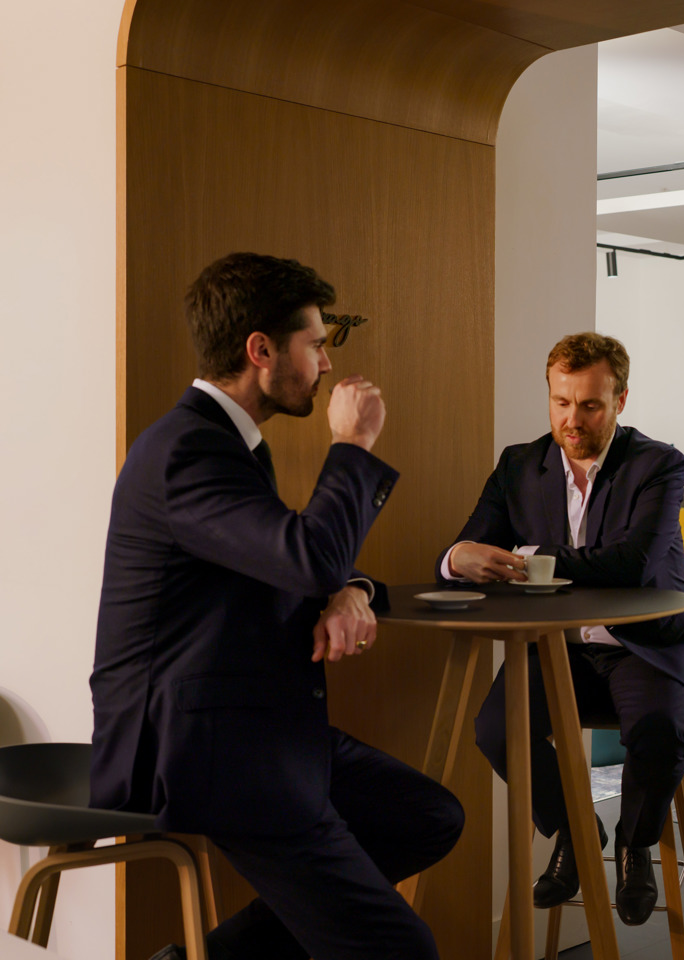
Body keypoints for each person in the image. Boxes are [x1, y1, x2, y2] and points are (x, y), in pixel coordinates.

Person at [90, 253, 464, 960]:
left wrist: (352, 589)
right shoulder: (188, 450)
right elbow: (308, 556)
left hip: (251, 725)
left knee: (426, 817)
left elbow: (284, 557)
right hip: (198, 746)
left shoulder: (223, 442)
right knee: (400, 950)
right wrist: (353, 444)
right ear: (260, 350)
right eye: (315, 344)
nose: (327, 364)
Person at [438, 332, 684, 927]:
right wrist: (457, 557)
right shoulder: (518, 465)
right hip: (557, 649)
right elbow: (470, 543)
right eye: (561, 402)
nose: (572, 419)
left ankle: (635, 844)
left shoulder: (658, 464)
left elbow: (633, 563)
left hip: (644, 643)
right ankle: (575, 827)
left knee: (662, 729)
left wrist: (528, 555)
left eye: (589, 405)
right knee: (495, 730)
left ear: (620, 400)